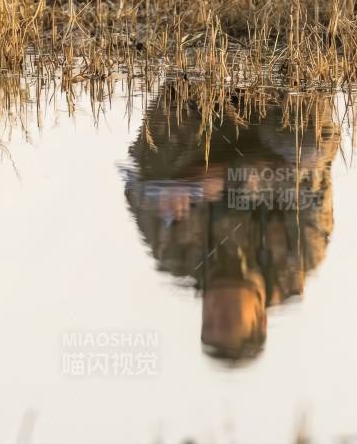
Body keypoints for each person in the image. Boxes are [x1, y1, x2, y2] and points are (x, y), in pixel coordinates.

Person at [122, 80, 339, 363]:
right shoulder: (299, 258)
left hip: (205, 123)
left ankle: (192, 72)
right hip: (276, 117)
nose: (215, 311)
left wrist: (161, 193)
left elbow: (134, 188)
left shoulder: (176, 257)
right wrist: (229, 179)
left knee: (160, 159)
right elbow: (308, 181)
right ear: (260, 318)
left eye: (209, 323)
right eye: (228, 320)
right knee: (308, 147)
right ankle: (296, 67)